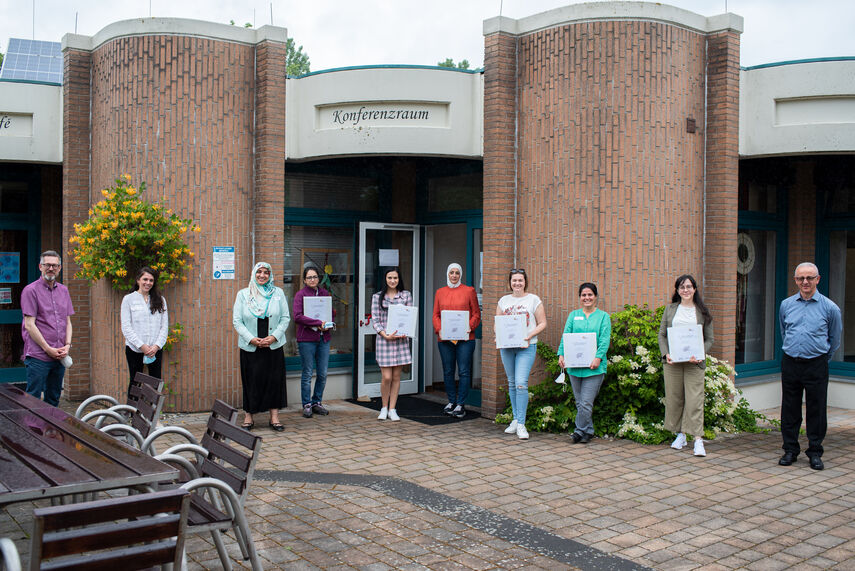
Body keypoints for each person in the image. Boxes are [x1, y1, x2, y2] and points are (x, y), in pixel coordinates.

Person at [777, 262, 842, 471]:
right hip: (790, 363)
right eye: (800, 278)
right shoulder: (786, 305)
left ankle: (815, 451)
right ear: (795, 280)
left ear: (818, 279)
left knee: (817, 409)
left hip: (816, 364)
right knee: (789, 408)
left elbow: (835, 339)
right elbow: (784, 331)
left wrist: (822, 358)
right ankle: (790, 450)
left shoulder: (830, 308)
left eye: (809, 278)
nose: (805, 282)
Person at [657, 274, 714, 457]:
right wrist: (666, 354)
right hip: (673, 362)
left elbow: (709, 339)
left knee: (694, 401)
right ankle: (680, 435)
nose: (685, 290)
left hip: (694, 363)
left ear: (695, 289)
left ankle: (698, 440)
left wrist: (700, 354)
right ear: (677, 290)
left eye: (689, 287)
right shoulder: (670, 309)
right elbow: (662, 335)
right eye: (682, 287)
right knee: (675, 398)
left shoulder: (702, 311)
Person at [232, 262, 290, 431]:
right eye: (259, 272)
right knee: (251, 381)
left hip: (273, 344)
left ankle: (274, 417)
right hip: (251, 345)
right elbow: (237, 321)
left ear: (270, 275)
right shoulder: (243, 294)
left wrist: (274, 337)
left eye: (266, 272)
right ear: (254, 274)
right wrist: (251, 339)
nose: (262, 275)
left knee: (274, 380)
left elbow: (285, 318)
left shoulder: (278, 293)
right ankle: (249, 417)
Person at [557, 283, 611, 444]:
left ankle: (579, 431)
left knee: (586, 403)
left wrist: (598, 357)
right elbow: (566, 335)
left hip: (594, 367)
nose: (586, 298)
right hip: (574, 367)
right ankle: (588, 431)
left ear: (595, 297)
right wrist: (561, 354)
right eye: (583, 295)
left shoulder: (603, 317)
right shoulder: (574, 315)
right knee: (580, 402)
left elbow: (604, 340)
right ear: (580, 297)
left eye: (590, 295)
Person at [496, 268, 547, 440]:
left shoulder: (533, 300)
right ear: (509, 282)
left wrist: (529, 335)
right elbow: (498, 324)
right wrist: (499, 336)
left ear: (525, 282)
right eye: (514, 280)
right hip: (507, 347)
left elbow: (542, 323)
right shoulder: (503, 301)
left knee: (521, 383)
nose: (517, 283)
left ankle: (522, 424)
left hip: (527, 346)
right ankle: (515, 420)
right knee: (511, 383)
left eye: (520, 280)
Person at [21, 250, 74, 407]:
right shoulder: (30, 291)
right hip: (38, 357)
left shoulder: (64, 291)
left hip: (59, 355)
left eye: (54, 265)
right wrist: (47, 348)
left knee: (53, 399)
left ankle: (51, 432)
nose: (51, 268)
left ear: (59, 268)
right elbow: (29, 325)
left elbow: (68, 321)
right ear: (40, 267)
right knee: (33, 400)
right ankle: (30, 431)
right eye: (47, 265)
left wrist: (67, 345)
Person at [432, 262, 481, 418]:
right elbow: (436, 315)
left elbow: (476, 314)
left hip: (465, 338)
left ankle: (460, 404)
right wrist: (440, 329)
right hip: (445, 338)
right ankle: (451, 401)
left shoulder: (469, 291)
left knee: (464, 371)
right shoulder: (440, 292)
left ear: (460, 275)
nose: (454, 276)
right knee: (448, 371)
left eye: (457, 273)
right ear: (448, 274)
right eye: (451, 273)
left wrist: (470, 326)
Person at [371, 267, 414, 421]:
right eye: (390, 278)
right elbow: (375, 320)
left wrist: (406, 330)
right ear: (385, 279)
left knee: (396, 376)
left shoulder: (405, 295)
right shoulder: (377, 297)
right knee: (387, 377)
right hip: (384, 341)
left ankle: (392, 409)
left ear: (399, 279)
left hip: (400, 341)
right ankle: (383, 407)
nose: (393, 281)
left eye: (395, 278)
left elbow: (409, 316)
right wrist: (385, 335)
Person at [120, 267, 168, 400]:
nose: (148, 283)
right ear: (138, 280)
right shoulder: (128, 299)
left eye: (151, 280)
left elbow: (164, 326)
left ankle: (152, 415)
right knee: (135, 382)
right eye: (145, 279)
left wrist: (157, 346)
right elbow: (126, 327)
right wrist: (142, 346)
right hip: (134, 348)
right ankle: (132, 414)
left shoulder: (160, 300)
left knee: (155, 383)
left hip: (155, 349)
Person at [293, 265, 335, 418]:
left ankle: (317, 402)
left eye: (315, 277)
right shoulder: (300, 295)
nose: (312, 279)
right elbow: (297, 316)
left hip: (323, 338)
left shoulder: (324, 294)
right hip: (307, 340)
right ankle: (307, 404)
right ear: (304, 280)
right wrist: (317, 323)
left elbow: (330, 314)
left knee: (323, 373)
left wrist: (327, 324)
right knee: (308, 373)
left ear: (319, 278)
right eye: (309, 277)